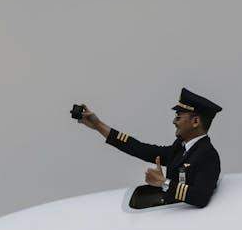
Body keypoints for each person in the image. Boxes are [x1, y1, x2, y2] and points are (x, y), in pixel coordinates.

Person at [76, 88, 222, 208]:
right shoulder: (179, 148)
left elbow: (200, 197)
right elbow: (139, 148)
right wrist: (98, 125)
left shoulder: (207, 155)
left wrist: (164, 182)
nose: (174, 121)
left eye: (178, 117)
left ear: (195, 121)